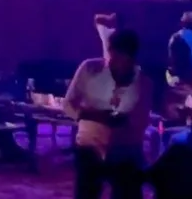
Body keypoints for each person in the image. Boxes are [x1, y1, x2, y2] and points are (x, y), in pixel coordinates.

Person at [63, 28, 153, 199]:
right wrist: (87, 115)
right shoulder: (89, 69)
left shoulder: (143, 83)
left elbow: (142, 121)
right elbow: (68, 103)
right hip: (89, 148)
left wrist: (124, 121)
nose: (117, 63)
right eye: (114, 56)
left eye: (123, 59)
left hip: (125, 154)